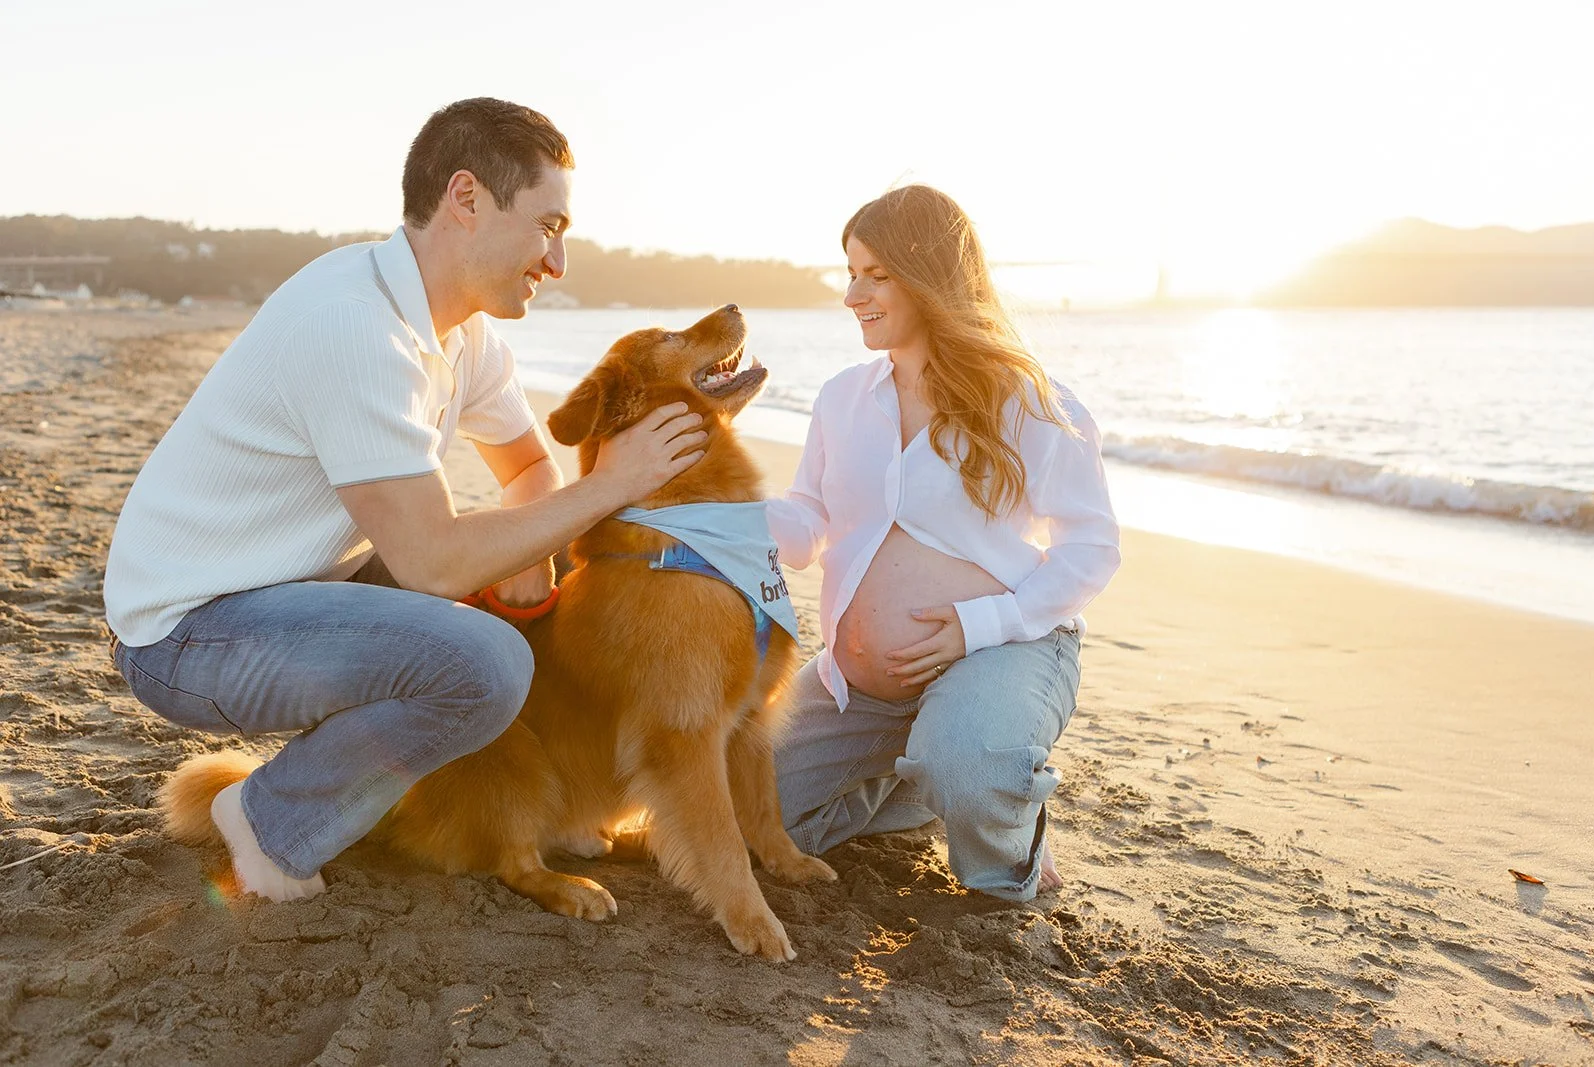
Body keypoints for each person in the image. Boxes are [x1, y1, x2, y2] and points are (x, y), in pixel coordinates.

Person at [103, 98, 706, 903]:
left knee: (504, 597)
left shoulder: (464, 333)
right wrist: (615, 484)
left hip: (290, 588)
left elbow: (529, 467)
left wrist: (534, 549)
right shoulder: (356, 327)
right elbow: (430, 561)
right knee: (487, 665)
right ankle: (269, 820)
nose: (557, 262)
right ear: (466, 198)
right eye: (547, 226)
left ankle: (520, 810)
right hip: (184, 633)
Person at [766, 185, 1120, 902]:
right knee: (756, 815)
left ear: (927, 275)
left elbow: (1092, 545)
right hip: (859, 682)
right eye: (850, 272)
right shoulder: (843, 398)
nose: (851, 294)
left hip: (1006, 649)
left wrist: (975, 626)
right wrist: (707, 507)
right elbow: (806, 521)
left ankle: (1005, 836)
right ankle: (923, 787)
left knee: (966, 766)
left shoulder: (1028, 401)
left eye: (875, 274)